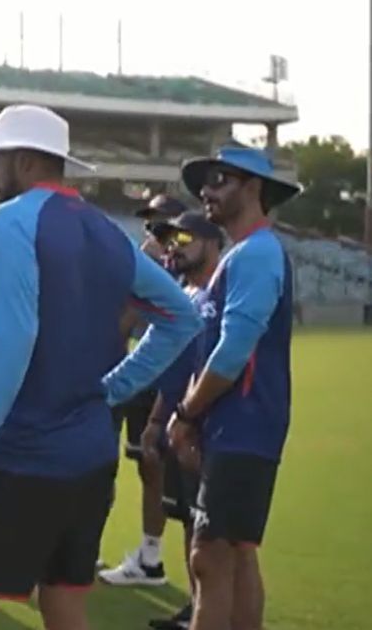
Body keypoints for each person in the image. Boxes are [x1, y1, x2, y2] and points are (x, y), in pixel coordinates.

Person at [0, 104, 200, 630]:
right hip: (91, 459)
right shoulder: (108, 231)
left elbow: (11, 340)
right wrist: (113, 390)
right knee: (65, 604)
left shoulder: (9, 221)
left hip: (23, 457)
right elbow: (181, 317)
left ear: (23, 161)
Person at [169, 146, 301, 630]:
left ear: (254, 188)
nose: (207, 190)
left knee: (209, 557)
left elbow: (233, 351)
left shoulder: (258, 253)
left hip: (243, 425)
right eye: (206, 180)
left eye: (220, 178)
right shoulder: (245, 255)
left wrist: (186, 415)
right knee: (237, 554)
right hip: (237, 426)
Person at [140, 211, 225, 630]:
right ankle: (196, 609)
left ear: (212, 242)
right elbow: (174, 371)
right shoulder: (187, 295)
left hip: (207, 429)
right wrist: (158, 419)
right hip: (178, 424)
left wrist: (184, 419)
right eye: (171, 239)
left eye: (185, 237)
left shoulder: (219, 295)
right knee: (190, 523)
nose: (175, 246)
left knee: (220, 540)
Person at [100, 194, 190, 587]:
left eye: (163, 225)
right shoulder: (134, 264)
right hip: (123, 373)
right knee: (100, 464)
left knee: (155, 466)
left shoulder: (183, 269)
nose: (154, 232)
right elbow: (115, 320)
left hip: (162, 380)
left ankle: (151, 557)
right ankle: (83, 548)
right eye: (150, 224)